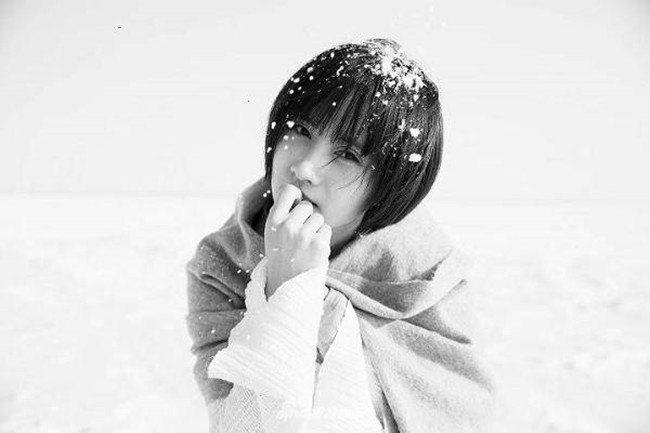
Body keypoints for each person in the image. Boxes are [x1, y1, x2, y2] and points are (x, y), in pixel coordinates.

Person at [185, 38, 496, 432]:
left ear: (389, 184)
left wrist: (311, 301)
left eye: (348, 154)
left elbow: (460, 416)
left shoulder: (425, 275)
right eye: (300, 130)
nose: (305, 168)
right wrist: (284, 290)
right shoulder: (222, 265)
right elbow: (237, 425)